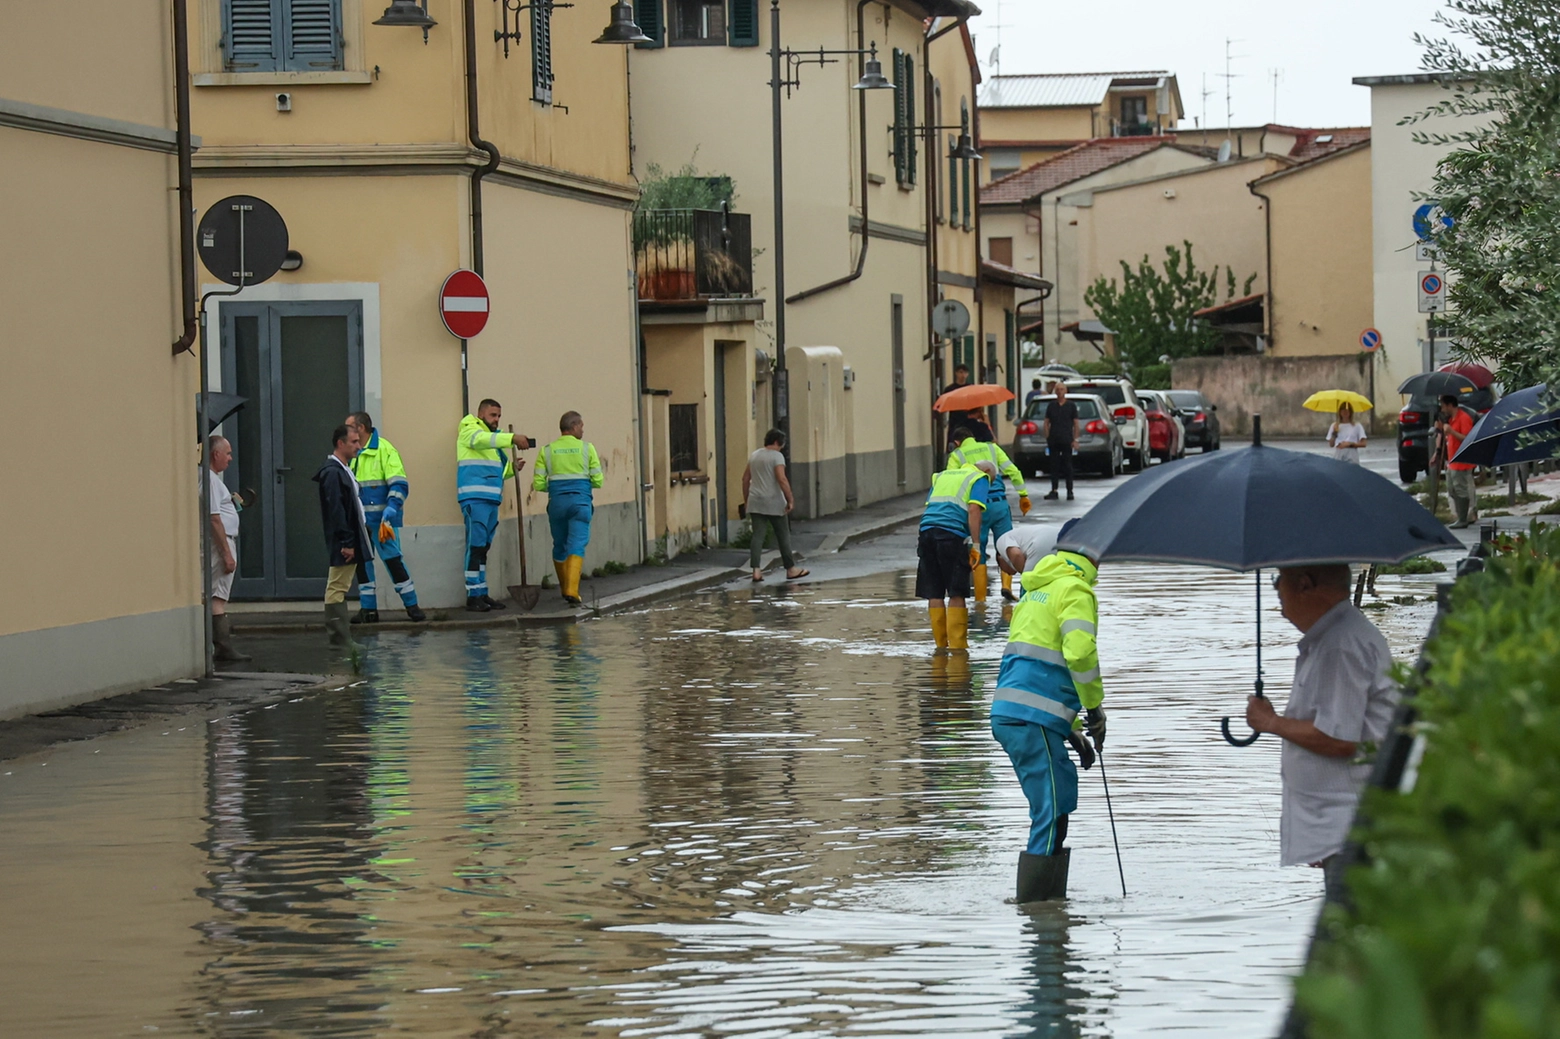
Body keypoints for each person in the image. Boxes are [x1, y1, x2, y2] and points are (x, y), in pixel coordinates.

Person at [1245, 564, 1399, 899]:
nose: (1277, 594)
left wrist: (1270, 722)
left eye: (1278, 582)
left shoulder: (1341, 645)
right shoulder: (1334, 637)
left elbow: (1339, 739)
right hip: (1340, 822)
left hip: (1353, 823)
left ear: (1304, 584)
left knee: (1350, 928)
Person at [992, 521, 1105, 902]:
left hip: (1015, 713)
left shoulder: (1036, 590)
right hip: (1031, 717)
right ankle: (1039, 912)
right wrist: (1094, 709)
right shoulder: (1075, 589)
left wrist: (1070, 728)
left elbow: (1038, 667)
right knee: (1052, 809)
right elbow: (1079, 655)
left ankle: (1048, 906)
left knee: (1054, 803)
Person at [346, 412, 426, 623]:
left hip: (382, 522)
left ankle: (412, 606)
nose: (346, 431)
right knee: (363, 565)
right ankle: (368, 610)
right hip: (361, 523)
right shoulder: (354, 452)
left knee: (393, 561)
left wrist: (391, 509)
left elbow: (399, 484)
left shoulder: (385, 450)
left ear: (361, 428)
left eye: (349, 427)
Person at [456, 399, 532, 612]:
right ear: (481, 414)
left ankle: (481, 592)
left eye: (499, 416)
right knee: (475, 546)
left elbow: (497, 471)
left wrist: (512, 468)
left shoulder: (494, 443)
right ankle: (473, 595)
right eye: (492, 415)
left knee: (483, 548)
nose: (496, 420)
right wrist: (512, 439)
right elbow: (478, 440)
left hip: (490, 499)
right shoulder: (470, 427)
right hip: (474, 498)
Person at [948, 427, 1031, 602]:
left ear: (957, 442)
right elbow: (1013, 470)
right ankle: (1007, 586)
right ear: (972, 437)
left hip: (978, 506)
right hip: (1000, 505)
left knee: (978, 549)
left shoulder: (957, 455)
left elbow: (953, 481)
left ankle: (980, 599)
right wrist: (1023, 494)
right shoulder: (992, 448)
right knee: (1006, 545)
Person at [918, 460, 990, 652]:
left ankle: (940, 646)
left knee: (934, 590)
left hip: (926, 531)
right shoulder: (979, 478)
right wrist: (976, 545)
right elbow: (974, 510)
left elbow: (932, 505)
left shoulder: (942, 475)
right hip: (951, 535)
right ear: (988, 472)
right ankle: (958, 649)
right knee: (957, 590)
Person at [533, 410, 603, 606]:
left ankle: (565, 587)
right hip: (580, 503)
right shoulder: (587, 449)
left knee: (559, 544)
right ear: (573, 427)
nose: (583, 430)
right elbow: (598, 480)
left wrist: (556, 488)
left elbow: (538, 484)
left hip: (556, 503)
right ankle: (572, 590)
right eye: (581, 426)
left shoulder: (547, 450)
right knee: (577, 544)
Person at [314, 424, 372, 651]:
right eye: (354, 442)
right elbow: (337, 510)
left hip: (349, 537)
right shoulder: (333, 472)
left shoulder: (341, 470)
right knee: (337, 585)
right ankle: (339, 639)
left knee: (341, 584)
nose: (359, 446)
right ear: (341, 444)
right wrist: (347, 542)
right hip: (344, 541)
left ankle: (341, 637)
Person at [741, 429, 809, 583]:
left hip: (755, 500)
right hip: (774, 501)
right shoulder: (777, 457)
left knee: (758, 536)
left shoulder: (755, 455)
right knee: (783, 535)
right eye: (782, 444)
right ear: (778, 442)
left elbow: (745, 479)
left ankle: (756, 571)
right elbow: (782, 479)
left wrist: (747, 500)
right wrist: (790, 499)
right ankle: (791, 569)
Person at [204, 435, 249, 663]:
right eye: (228, 453)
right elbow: (213, 519)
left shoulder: (212, 481)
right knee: (218, 596)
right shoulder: (210, 480)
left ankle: (220, 646)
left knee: (216, 594)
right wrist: (226, 554)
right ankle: (223, 647)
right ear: (216, 454)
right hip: (220, 543)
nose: (230, 458)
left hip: (222, 540)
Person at [1436, 393, 1479, 528]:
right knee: (1452, 489)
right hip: (1452, 461)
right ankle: (1461, 515)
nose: (1442, 409)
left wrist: (1452, 432)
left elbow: (1467, 439)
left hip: (1462, 462)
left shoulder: (1463, 418)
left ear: (1450, 405)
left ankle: (1463, 518)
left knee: (1461, 490)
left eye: (1443, 406)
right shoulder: (1451, 419)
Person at [1043, 382, 1080, 501]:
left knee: (1067, 465)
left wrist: (1075, 439)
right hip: (1054, 439)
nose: (1059, 392)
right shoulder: (1051, 406)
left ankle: (1070, 490)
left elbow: (1076, 423)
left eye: (1062, 389)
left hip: (1067, 439)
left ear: (1066, 391)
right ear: (1055, 391)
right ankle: (1054, 490)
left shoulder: (1071, 406)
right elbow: (1046, 422)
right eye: (1057, 389)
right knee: (1054, 465)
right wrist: (1047, 436)